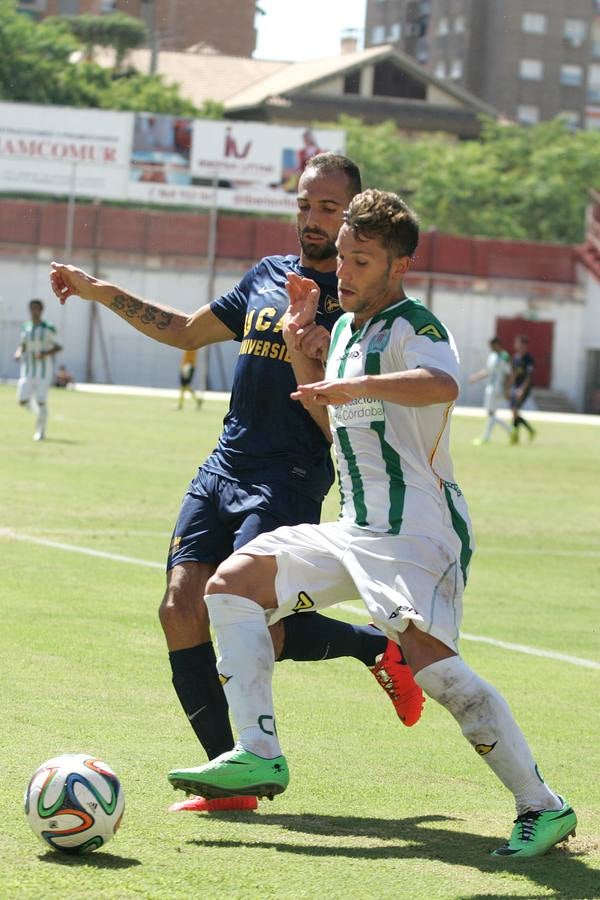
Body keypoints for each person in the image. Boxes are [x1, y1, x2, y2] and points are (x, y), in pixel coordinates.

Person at [169, 189, 577, 859]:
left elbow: (442, 385)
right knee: (233, 584)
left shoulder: (418, 325)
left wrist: (355, 385)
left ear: (400, 266)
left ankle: (543, 806)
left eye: (361, 260)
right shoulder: (351, 331)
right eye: (343, 258)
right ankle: (259, 751)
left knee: (438, 674)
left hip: (417, 533)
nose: (345, 272)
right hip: (355, 526)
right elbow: (335, 425)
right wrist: (305, 347)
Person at [49, 155, 424, 814]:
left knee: (256, 626)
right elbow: (189, 331)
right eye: (305, 204)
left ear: (355, 213)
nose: (312, 219)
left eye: (328, 208)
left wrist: (313, 335)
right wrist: (99, 290)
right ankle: (236, 782)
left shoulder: (363, 305)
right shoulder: (267, 275)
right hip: (223, 465)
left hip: (290, 474)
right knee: (179, 610)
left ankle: (373, 646)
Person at [14, 299, 62, 441]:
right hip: (27, 370)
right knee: (22, 400)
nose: (34, 311)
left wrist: (45, 354)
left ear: (41, 310)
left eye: (37, 309)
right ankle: (41, 414)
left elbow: (58, 346)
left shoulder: (48, 327)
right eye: (32, 308)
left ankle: (40, 431)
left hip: (43, 370)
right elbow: (23, 345)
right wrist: (18, 353)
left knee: (41, 400)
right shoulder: (25, 327)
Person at [468, 336, 512, 445]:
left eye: (491, 345)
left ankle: (487, 437)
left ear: (497, 344)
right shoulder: (492, 356)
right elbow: (488, 371)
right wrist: (476, 377)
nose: (490, 348)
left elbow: (509, 374)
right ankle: (509, 430)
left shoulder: (504, 356)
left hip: (498, 389)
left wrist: (507, 389)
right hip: (490, 388)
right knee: (491, 414)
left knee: (491, 413)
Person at [508, 334, 536, 444]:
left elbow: (529, 377)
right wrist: (509, 388)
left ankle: (515, 435)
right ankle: (529, 431)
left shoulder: (529, 359)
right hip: (516, 387)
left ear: (524, 345)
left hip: (525, 388)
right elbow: (513, 374)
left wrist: (522, 390)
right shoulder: (515, 358)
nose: (515, 345)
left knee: (515, 410)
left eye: (518, 343)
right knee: (514, 411)